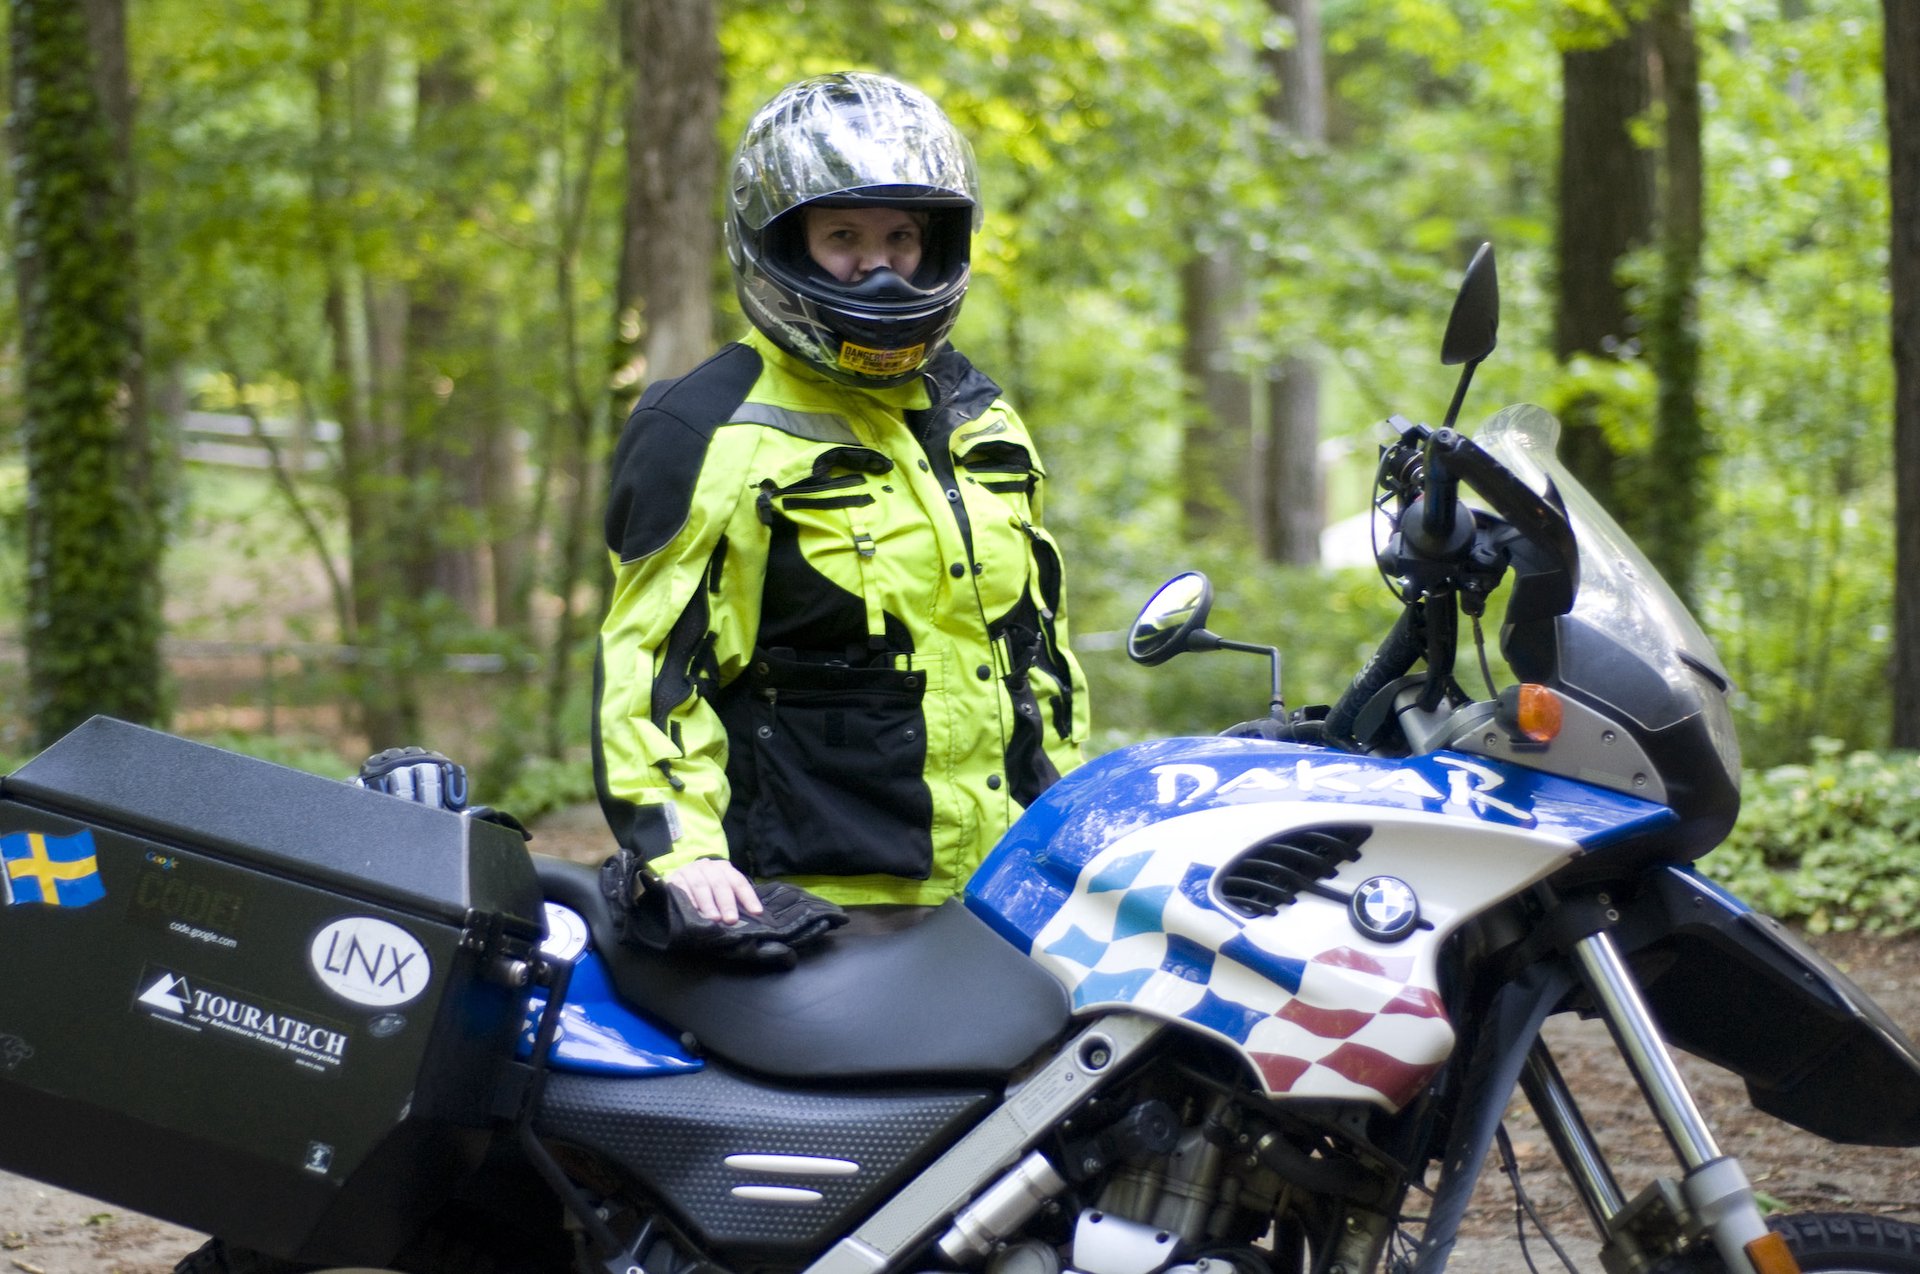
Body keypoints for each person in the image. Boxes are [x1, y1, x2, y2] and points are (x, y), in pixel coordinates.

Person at [592, 71, 1088, 936]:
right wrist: (683, 850)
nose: (879, 265)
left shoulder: (982, 418)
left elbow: (1039, 662)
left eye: (902, 236)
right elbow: (652, 669)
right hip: (820, 908)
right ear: (783, 242)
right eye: (843, 236)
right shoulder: (704, 424)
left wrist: (1073, 834)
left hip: (1006, 892)